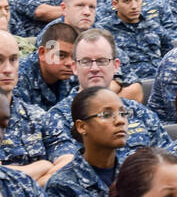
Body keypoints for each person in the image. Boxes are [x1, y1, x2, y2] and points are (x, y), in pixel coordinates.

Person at [39, 29, 168, 162]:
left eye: (102, 61)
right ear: (74, 67)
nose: (94, 68)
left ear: (116, 66)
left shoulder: (139, 112)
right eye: (86, 61)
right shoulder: (58, 118)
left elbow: (168, 159)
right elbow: (69, 167)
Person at [0, 28, 69, 185]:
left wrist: (17, 176)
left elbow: (69, 162)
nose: (8, 69)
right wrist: (43, 166)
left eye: (13, 59)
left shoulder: (39, 116)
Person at [44, 87, 129, 197]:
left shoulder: (135, 174)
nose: (120, 121)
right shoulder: (63, 186)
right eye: (107, 115)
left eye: (123, 113)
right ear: (82, 127)